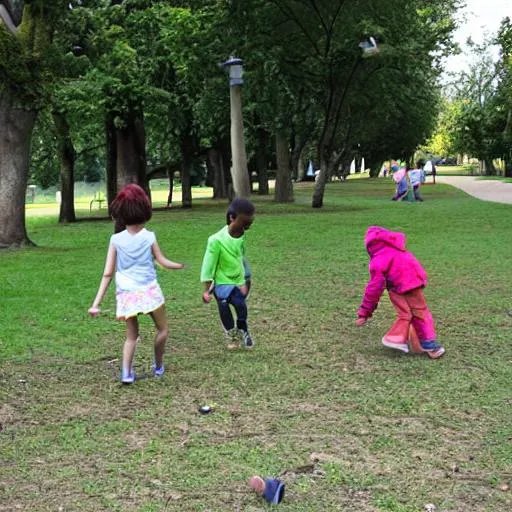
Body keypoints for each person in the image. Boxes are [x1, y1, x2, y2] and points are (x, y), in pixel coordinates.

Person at [88, 184, 185, 384]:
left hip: (127, 294)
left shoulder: (116, 240)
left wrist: (96, 303)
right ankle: (158, 366)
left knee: (131, 337)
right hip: (149, 291)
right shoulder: (149, 236)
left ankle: (126, 373)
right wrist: (179, 265)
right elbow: (162, 260)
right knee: (162, 329)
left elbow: (108, 273)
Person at [355, 226, 445, 359]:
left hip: (399, 287)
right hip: (414, 283)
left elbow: (374, 288)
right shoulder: (399, 250)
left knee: (408, 314)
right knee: (418, 312)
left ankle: (408, 341)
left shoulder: (378, 260)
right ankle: (422, 343)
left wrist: (365, 312)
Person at [200, 198, 255, 349]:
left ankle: (243, 329)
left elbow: (240, 258)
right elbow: (208, 266)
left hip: (237, 281)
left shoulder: (241, 236)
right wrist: (206, 290)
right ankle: (232, 336)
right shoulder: (216, 240)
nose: (246, 228)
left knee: (241, 306)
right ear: (232, 218)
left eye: (249, 225)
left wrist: (245, 279)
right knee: (225, 305)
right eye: (244, 224)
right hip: (222, 283)